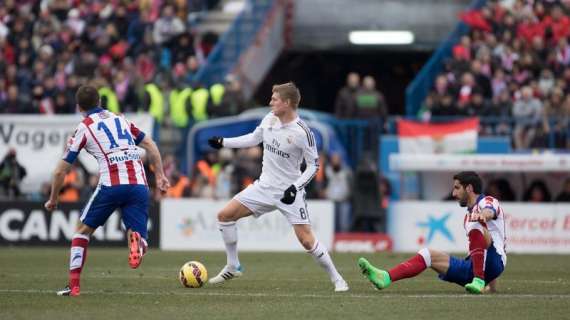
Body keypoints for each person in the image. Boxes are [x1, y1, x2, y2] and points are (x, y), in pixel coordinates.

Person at [207, 82, 349, 292]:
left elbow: (314, 166)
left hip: (289, 192)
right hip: (264, 187)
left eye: (275, 99)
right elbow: (254, 139)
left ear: (288, 103)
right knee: (225, 215)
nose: (270, 102)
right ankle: (233, 265)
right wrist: (224, 142)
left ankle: (338, 279)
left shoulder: (303, 132)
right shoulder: (270, 119)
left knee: (306, 241)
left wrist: (295, 187)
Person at [44, 85, 170, 297]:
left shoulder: (84, 127)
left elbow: (60, 172)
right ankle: (139, 242)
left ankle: (74, 286)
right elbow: (150, 145)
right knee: (137, 234)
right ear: (100, 102)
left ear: (78, 107)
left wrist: (53, 199)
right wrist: (160, 175)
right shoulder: (120, 119)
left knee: (81, 232)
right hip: (139, 185)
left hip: (111, 185)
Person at [358, 171, 507, 294]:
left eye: (457, 188)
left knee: (476, 224)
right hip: (473, 270)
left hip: (495, 261)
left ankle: (479, 280)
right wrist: (492, 287)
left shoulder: (487, 201)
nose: (454, 193)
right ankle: (385, 277)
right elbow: (481, 250)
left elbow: (490, 211)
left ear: (468, 188)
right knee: (427, 254)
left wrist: (483, 216)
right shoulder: (469, 216)